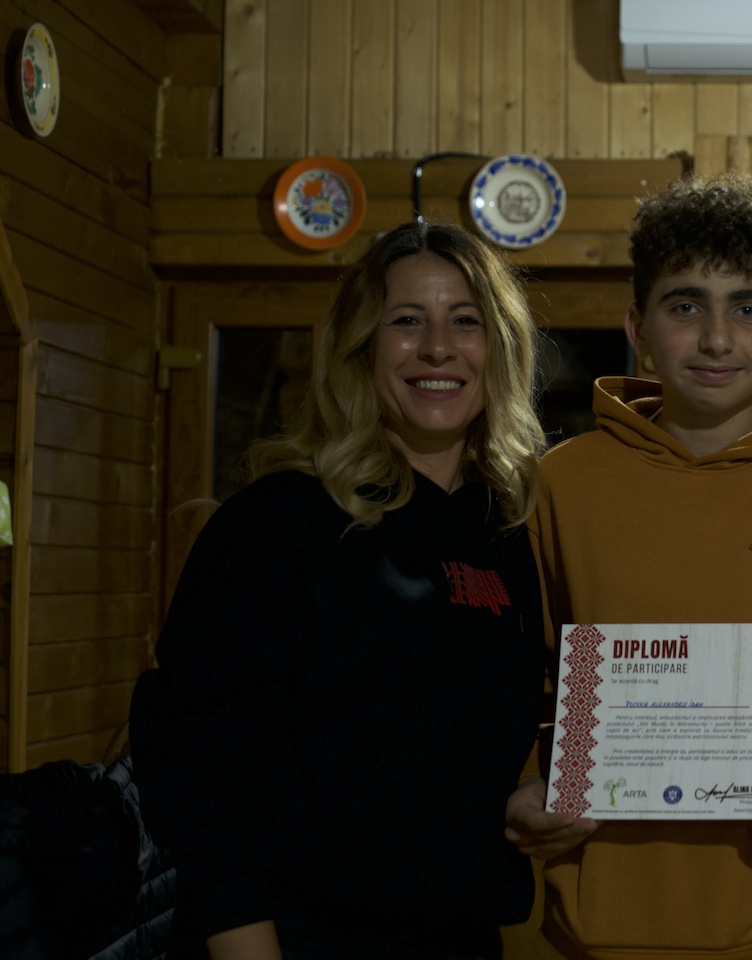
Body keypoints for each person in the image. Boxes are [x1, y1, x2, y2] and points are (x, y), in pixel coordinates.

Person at [128, 220, 550, 959]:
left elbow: (424, 754)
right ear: (361, 347)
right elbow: (205, 765)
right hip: (294, 935)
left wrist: (512, 807)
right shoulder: (281, 520)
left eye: (465, 322)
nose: (438, 348)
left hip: (458, 936)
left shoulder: (510, 533)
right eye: (406, 321)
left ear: (501, 349)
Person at [504, 172, 752, 959]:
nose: (717, 339)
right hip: (590, 931)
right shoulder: (561, 484)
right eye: (685, 306)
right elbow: (513, 682)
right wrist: (517, 791)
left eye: (747, 309)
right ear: (639, 328)